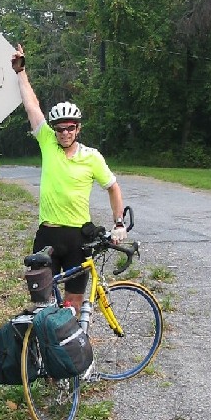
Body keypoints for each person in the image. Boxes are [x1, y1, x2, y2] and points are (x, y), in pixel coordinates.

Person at [12, 43, 127, 313]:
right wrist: (21, 72)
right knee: (42, 303)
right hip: (48, 235)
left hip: (78, 237)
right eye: (60, 128)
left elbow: (112, 187)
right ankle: (45, 350)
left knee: (73, 302)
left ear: (78, 128)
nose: (64, 133)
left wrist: (119, 223)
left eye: (70, 128)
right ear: (55, 130)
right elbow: (32, 106)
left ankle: (70, 352)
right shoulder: (47, 142)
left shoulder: (92, 156)